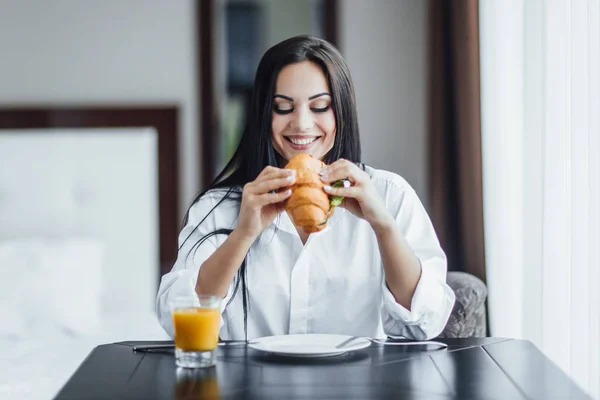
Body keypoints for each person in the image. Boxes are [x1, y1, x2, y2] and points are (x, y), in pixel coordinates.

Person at [157, 35, 455, 341]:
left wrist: (383, 226)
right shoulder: (219, 207)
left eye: (320, 106)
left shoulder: (390, 194)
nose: (301, 124)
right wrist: (243, 235)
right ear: (263, 115)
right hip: (250, 387)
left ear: (341, 111)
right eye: (283, 108)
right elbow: (179, 323)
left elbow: (426, 323)